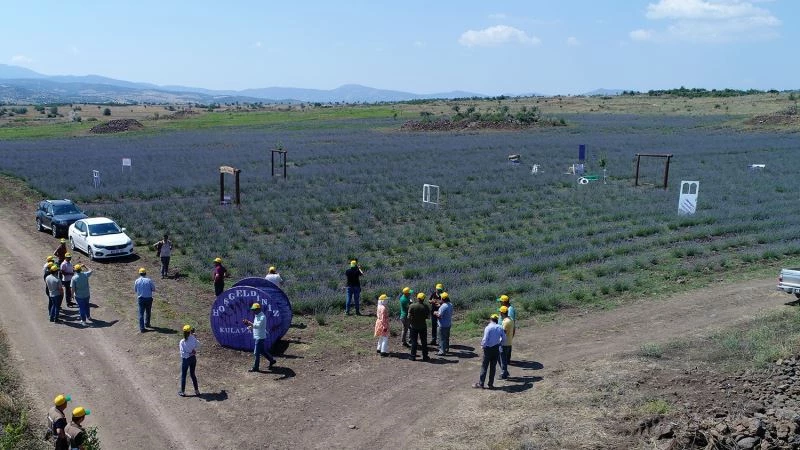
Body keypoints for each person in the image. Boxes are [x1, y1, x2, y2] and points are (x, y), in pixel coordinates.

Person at [473, 314, 506, 389]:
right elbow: (504, 338)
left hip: (488, 349)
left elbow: (485, 339)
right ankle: (490, 384)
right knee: (493, 367)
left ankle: (481, 384)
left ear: (490, 319)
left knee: (484, 366)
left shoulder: (488, 328)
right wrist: (500, 344)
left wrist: (483, 346)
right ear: (497, 320)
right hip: (496, 348)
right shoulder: (500, 327)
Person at [243, 303, 276, 372]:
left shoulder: (262, 317)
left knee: (256, 353)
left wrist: (249, 323)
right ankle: (272, 360)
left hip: (260, 337)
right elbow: (255, 326)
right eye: (253, 309)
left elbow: (258, 326)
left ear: (258, 309)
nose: (253, 311)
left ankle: (256, 367)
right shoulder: (257, 315)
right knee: (262, 351)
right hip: (258, 336)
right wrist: (250, 327)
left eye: (254, 309)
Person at [178, 324, 200, 397]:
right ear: (190, 331)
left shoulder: (182, 342)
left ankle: (182, 392)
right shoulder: (193, 338)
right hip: (193, 359)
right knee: (193, 374)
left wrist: (189, 353)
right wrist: (193, 350)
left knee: (184, 375)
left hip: (186, 360)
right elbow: (198, 345)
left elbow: (183, 354)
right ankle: (197, 391)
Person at [408, 292, 430, 361]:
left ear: (417, 298)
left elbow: (408, 316)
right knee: (424, 342)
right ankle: (425, 356)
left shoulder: (412, 306)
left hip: (414, 326)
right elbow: (428, 317)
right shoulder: (426, 306)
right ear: (423, 299)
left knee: (414, 342)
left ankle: (412, 356)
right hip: (423, 326)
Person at [134, 267, 155, 332]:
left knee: (141, 314)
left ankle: (142, 328)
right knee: (148, 312)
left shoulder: (137, 281)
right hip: (148, 298)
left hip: (141, 299)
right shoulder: (149, 280)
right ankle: (147, 324)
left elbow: (135, 290)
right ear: (145, 273)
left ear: (139, 273)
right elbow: (153, 289)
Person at [499, 305, 515, 379]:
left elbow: (503, 333)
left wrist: (498, 342)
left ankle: (504, 374)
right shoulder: (510, 319)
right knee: (504, 359)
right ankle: (505, 372)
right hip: (509, 342)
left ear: (502, 313)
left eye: (500, 312)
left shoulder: (505, 322)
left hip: (504, 343)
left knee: (503, 360)